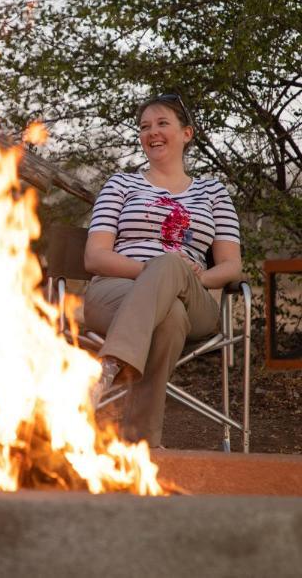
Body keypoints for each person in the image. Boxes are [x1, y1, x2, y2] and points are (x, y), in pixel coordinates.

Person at [83, 93, 241, 448]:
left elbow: (231, 265)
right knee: (167, 316)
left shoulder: (213, 192)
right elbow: (95, 257)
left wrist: (192, 277)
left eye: (162, 124)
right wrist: (157, 272)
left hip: (194, 299)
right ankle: (142, 444)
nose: (151, 132)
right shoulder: (120, 185)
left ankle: (110, 364)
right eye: (144, 127)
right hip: (115, 291)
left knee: (172, 274)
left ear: (187, 133)